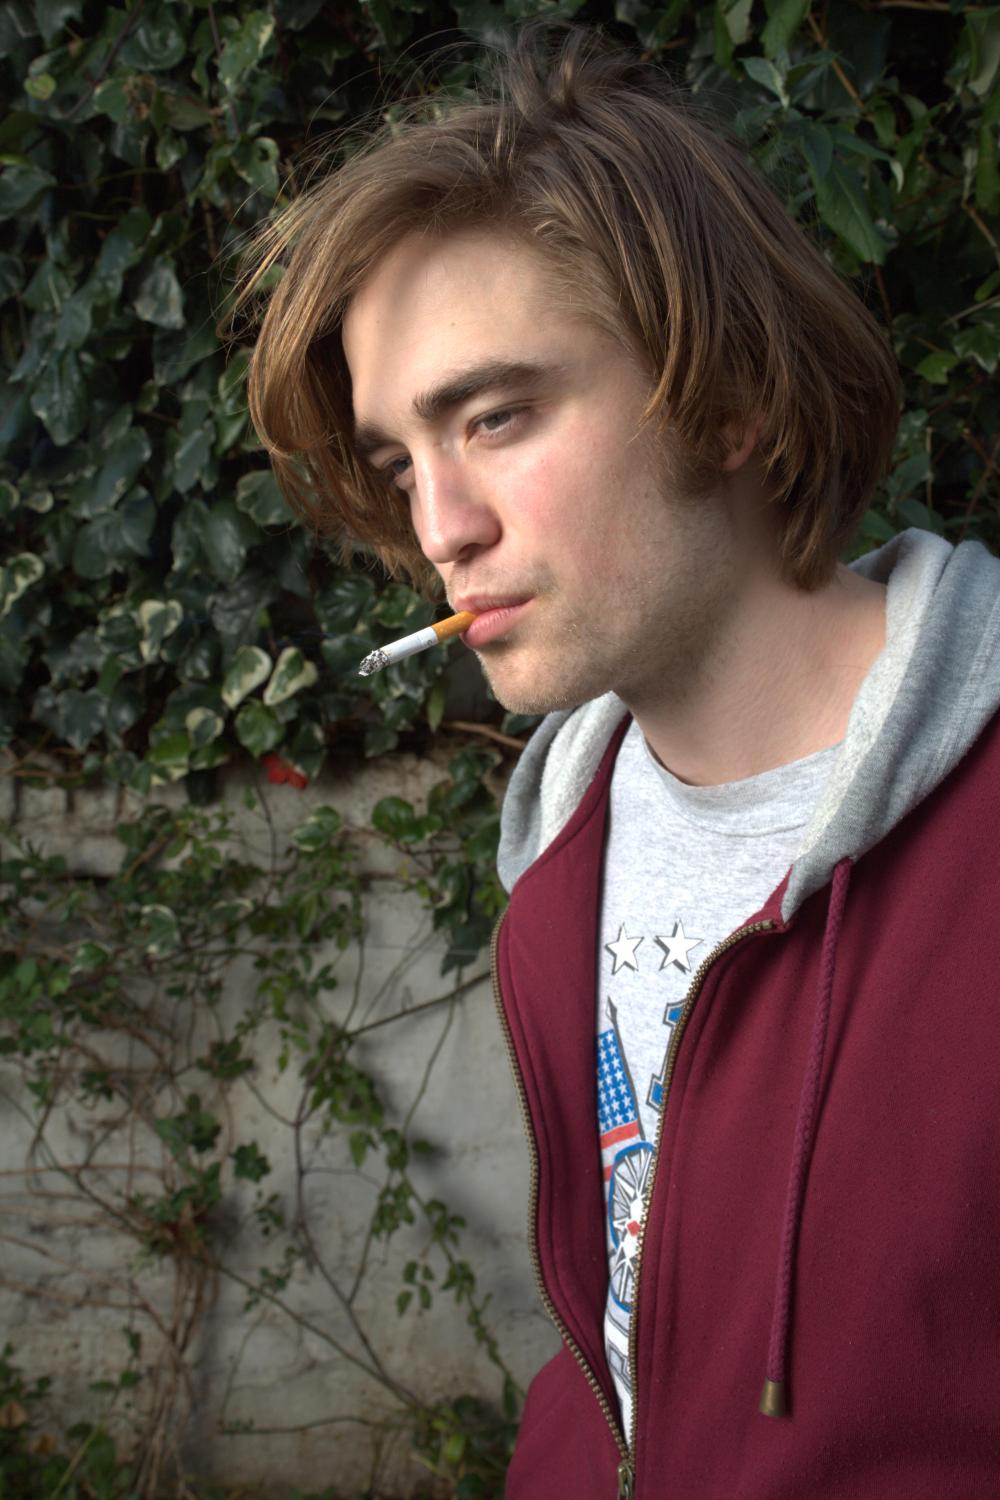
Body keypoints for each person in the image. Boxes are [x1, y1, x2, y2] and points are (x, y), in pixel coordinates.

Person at [245, 25, 1000, 1498]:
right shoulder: (563, 857)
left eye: (496, 417)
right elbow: (625, 1343)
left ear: (727, 400)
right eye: (401, 461)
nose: (439, 528)